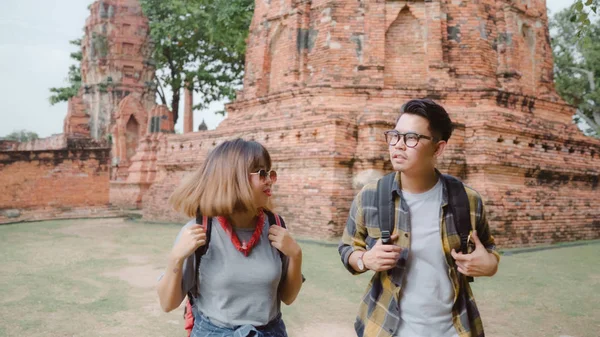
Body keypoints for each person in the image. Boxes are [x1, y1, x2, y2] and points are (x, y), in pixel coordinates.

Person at [338, 99, 500, 337]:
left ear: (438, 148)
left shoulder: (467, 200)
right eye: (395, 135)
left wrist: (489, 266)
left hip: (453, 330)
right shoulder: (371, 196)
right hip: (387, 328)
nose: (398, 145)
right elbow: (346, 248)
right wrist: (365, 259)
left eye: (411, 138)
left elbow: (489, 251)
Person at [157, 138, 303, 337]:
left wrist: (295, 255)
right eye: (261, 173)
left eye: (270, 173)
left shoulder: (276, 227)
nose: (269, 180)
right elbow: (167, 304)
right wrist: (176, 257)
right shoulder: (199, 231)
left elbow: (288, 297)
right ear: (234, 179)